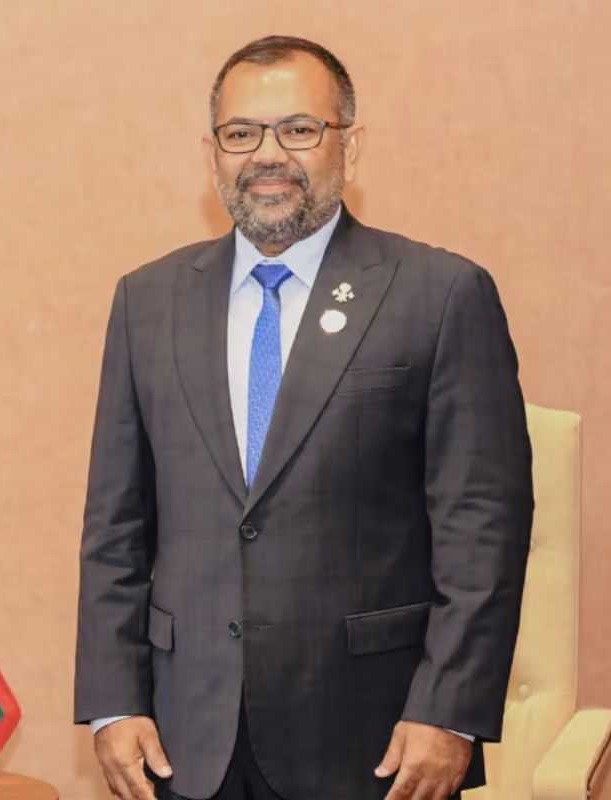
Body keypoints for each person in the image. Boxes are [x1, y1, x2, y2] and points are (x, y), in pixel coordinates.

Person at [74, 35, 532, 800]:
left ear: (348, 147)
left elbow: (483, 525)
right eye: (241, 133)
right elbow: (114, 525)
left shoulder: (440, 294)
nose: (268, 154)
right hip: (186, 738)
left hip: (375, 741)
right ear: (213, 153)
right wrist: (112, 700)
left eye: (299, 129)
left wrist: (450, 711)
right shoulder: (147, 303)